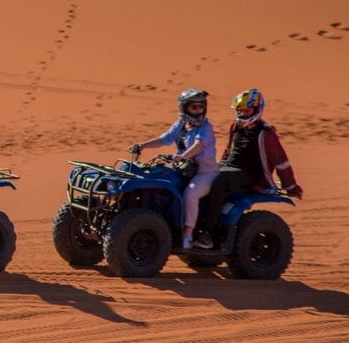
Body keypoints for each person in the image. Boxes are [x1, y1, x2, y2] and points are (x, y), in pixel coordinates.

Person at [194, 88, 303, 249]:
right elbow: (229, 151)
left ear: (257, 109)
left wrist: (290, 186)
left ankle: (208, 234)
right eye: (240, 110)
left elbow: (280, 160)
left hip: (250, 174)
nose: (243, 113)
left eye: (247, 110)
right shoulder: (236, 127)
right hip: (229, 167)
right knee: (198, 173)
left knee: (219, 182)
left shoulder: (265, 134)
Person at [126, 88, 218, 250]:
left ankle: (188, 235)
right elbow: (165, 139)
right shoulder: (181, 125)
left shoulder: (205, 128)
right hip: (182, 170)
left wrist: (183, 156)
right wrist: (141, 146)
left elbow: (199, 145)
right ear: (184, 108)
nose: (198, 111)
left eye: (200, 107)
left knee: (191, 193)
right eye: (193, 107)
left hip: (205, 173)